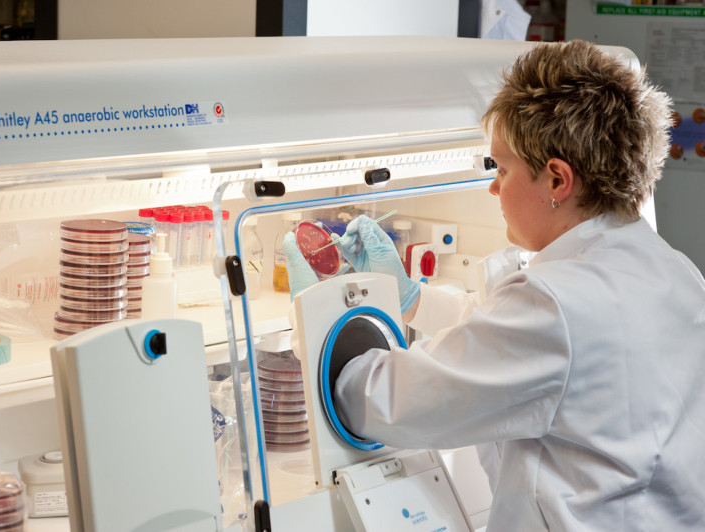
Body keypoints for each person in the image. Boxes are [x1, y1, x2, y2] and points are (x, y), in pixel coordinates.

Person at [282, 40, 705, 530]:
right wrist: (415, 301)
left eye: (502, 169)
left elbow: (384, 403)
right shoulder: (675, 272)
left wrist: (317, 326)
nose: (492, 187)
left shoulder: (555, 303)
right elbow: (521, 351)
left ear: (557, 181)